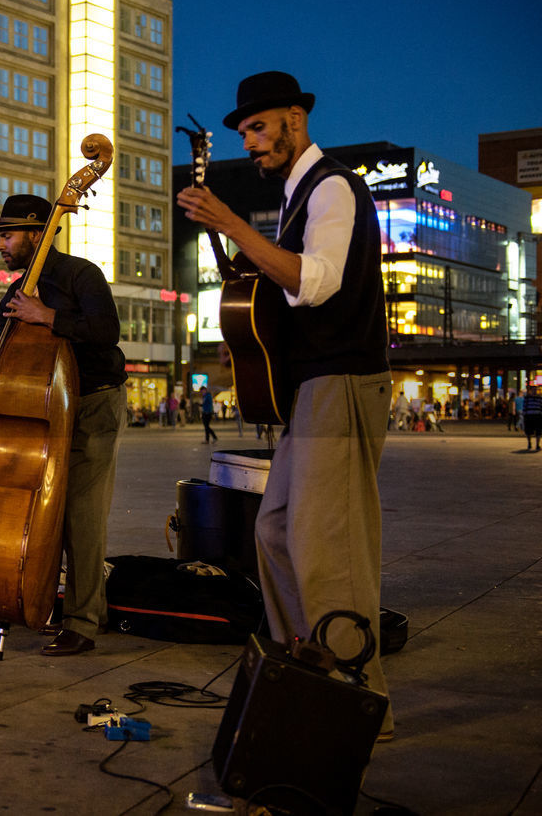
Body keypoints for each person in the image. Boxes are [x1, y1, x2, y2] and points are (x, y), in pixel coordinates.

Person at [176, 71, 394, 739]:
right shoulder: (301, 196)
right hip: (312, 386)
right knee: (274, 532)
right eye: (243, 132)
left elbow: (318, 283)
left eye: (258, 127)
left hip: (342, 380)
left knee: (329, 545)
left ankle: (359, 701)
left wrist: (231, 224)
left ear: (294, 119)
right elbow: (283, 291)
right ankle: (311, 665)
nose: (249, 141)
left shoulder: (333, 187)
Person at [0, 194, 129, 656]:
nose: (0, 244)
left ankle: (83, 622)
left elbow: (106, 330)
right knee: (41, 513)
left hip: (94, 402)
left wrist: (48, 317)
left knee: (81, 514)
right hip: (45, 410)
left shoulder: (81, 274)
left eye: (8, 235)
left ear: (38, 234)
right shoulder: (18, 289)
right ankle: (37, 601)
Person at [523, 384, 542, 452]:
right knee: (528, 431)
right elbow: (524, 407)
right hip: (529, 416)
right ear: (530, 391)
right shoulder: (527, 398)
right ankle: (529, 443)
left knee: (538, 431)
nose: (535, 391)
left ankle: (537, 445)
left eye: (536, 390)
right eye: (533, 390)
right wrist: (524, 415)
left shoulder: (540, 398)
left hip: (538, 416)